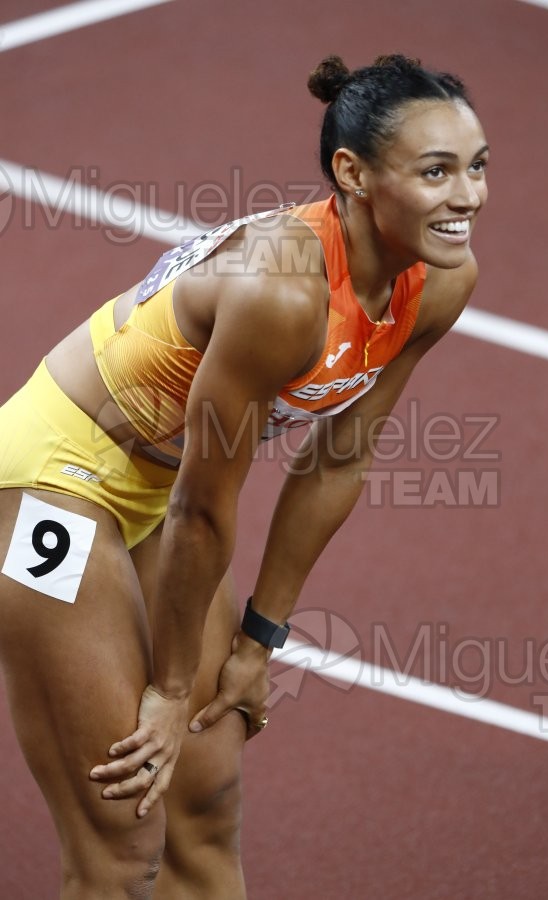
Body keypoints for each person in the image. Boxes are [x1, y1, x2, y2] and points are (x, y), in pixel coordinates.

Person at [0, 53, 489, 898]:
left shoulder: (439, 284)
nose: (469, 196)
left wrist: (261, 641)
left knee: (205, 802)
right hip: (54, 480)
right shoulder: (282, 290)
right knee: (122, 839)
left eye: (478, 166)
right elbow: (201, 509)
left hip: (160, 493)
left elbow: (338, 458)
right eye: (436, 172)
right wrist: (168, 689)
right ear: (354, 174)